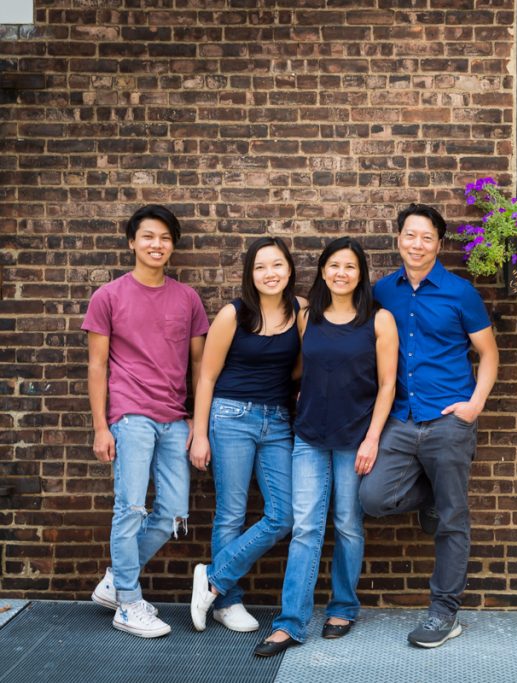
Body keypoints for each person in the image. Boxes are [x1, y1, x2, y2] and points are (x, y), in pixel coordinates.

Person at [359, 203, 499, 648]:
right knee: (373, 497)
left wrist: (474, 404)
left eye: (427, 237)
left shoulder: (461, 293)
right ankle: (432, 496)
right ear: (398, 238)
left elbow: (489, 354)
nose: (417, 244)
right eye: (410, 235)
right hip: (400, 419)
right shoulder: (383, 291)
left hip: (448, 421)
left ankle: (444, 613)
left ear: (439, 244)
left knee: (453, 519)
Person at [254, 237, 399, 658]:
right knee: (305, 528)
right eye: (334, 265)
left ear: (361, 274)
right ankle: (290, 623)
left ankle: (342, 607)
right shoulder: (306, 317)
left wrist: (373, 437)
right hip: (310, 436)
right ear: (322, 271)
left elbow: (388, 384)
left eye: (350, 266)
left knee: (349, 525)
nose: (341, 273)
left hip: (355, 439)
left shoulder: (379, 320)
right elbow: (299, 367)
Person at [83, 204, 209, 638]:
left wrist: (195, 418)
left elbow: (198, 364)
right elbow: (97, 366)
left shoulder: (187, 298)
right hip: (130, 416)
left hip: (175, 418)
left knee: (173, 511)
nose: (157, 245)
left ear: (173, 246)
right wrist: (101, 426)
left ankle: (114, 580)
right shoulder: (109, 296)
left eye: (165, 238)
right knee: (131, 509)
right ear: (132, 242)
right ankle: (128, 603)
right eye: (149, 237)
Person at [188, 237, 303, 634]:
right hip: (231, 416)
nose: (269, 273)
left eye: (277, 265)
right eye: (260, 267)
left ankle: (214, 579)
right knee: (231, 513)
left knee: (283, 513)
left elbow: (301, 368)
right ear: (250, 274)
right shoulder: (233, 315)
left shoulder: (300, 311)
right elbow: (207, 375)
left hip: (278, 422)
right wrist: (199, 433)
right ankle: (228, 603)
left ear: (289, 270)